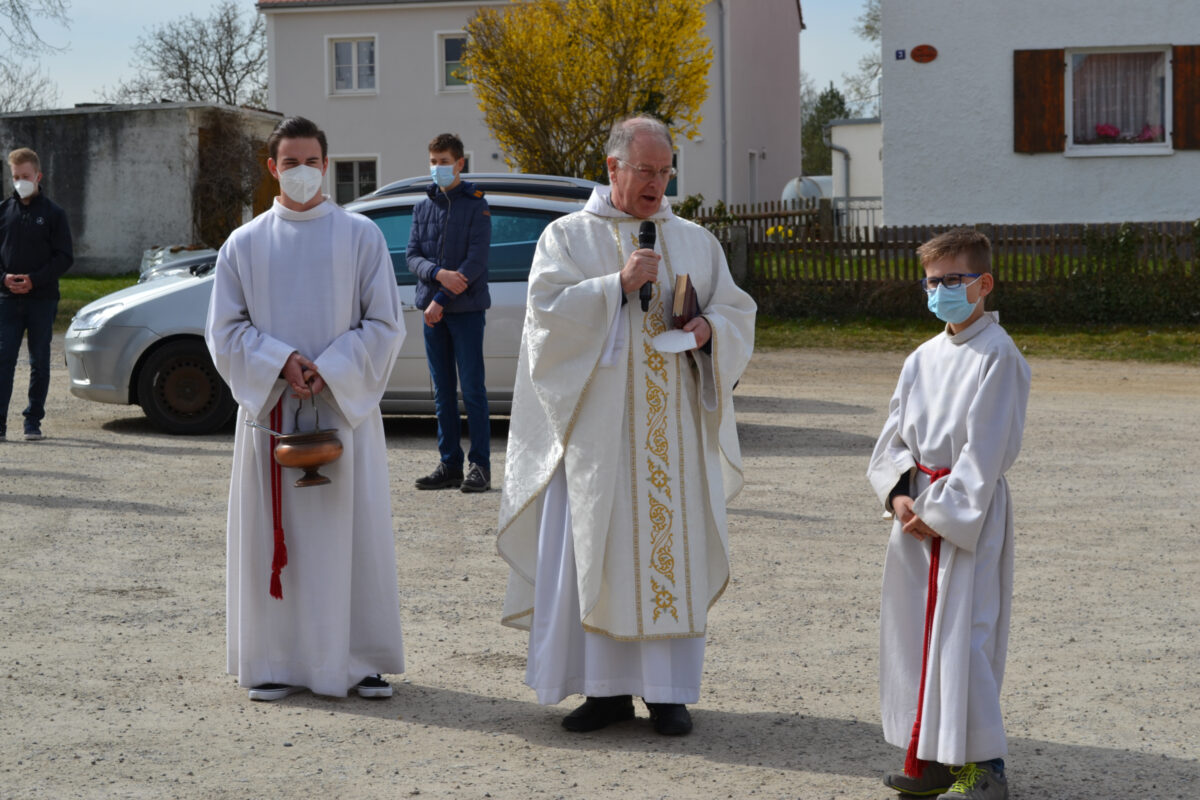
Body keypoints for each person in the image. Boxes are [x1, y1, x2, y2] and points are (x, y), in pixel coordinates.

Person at [496, 116, 756, 736]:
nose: (657, 183)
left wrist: (709, 329)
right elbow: (544, 321)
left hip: (674, 432)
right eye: (645, 171)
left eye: (665, 171)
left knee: (670, 550)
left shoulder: (693, 239)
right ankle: (603, 691)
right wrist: (616, 284)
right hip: (598, 439)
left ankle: (668, 694)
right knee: (600, 551)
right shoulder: (565, 238)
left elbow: (734, 307)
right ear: (613, 168)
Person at [205, 116, 406, 702]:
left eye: (310, 161)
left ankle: (359, 658)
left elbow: (385, 323)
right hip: (273, 414)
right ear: (272, 169)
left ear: (327, 165)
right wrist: (282, 361)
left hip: (343, 413)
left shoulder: (360, 236)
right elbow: (223, 331)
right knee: (278, 539)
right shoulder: (243, 244)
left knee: (353, 536)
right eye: (288, 162)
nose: (299, 172)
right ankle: (273, 660)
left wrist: (331, 367)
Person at [867, 228, 1030, 800]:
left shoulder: (999, 356)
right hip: (915, 516)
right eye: (932, 282)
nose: (940, 291)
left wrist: (939, 510)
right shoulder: (921, 358)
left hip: (967, 517)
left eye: (953, 281)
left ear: (982, 284)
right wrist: (898, 494)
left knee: (964, 638)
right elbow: (892, 438)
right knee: (917, 638)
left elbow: (986, 451)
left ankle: (984, 768)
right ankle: (936, 760)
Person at [406, 133, 492, 493]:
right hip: (433, 311)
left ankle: (481, 467)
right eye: (433, 161)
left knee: (472, 391)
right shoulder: (423, 206)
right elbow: (411, 255)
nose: (437, 168)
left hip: (464, 311)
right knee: (442, 392)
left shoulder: (476, 205)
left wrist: (440, 297)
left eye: (444, 161)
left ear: (460, 164)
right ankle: (449, 464)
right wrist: (437, 274)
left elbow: (475, 261)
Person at [0, 147, 73, 442]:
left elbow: (64, 257)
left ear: (38, 176)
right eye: (15, 176)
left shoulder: (54, 214)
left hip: (42, 300)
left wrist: (35, 280)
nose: (20, 181)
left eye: (25, 176)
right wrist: (4, 279)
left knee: (39, 361)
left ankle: (33, 421)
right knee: (3, 360)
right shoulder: (3, 211)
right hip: (6, 301)